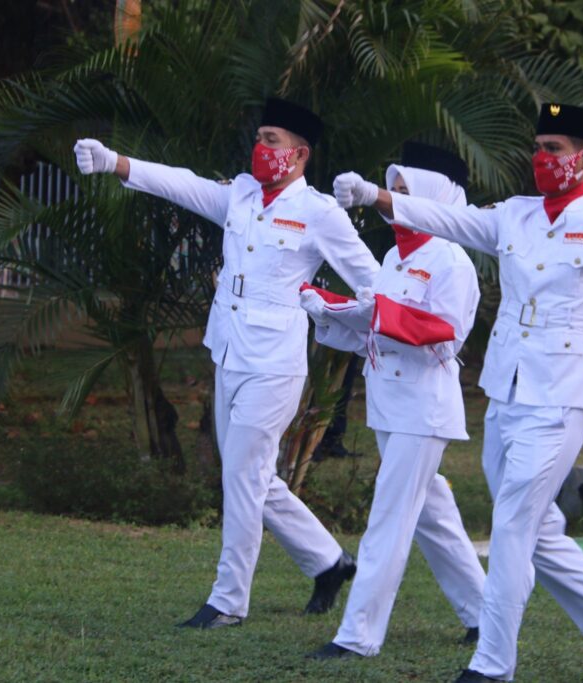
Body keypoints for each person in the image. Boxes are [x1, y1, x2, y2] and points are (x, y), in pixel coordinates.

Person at [333, 103, 583, 683]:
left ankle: (492, 664)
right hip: (507, 389)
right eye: (539, 147)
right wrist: (376, 196)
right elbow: (449, 219)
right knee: (537, 527)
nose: (542, 158)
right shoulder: (515, 215)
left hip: (562, 395)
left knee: (512, 524)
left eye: (554, 149)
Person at [73, 98, 379, 628]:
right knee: (251, 475)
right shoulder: (241, 194)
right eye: (259, 138)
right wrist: (115, 163)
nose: (260, 148)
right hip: (230, 351)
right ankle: (329, 562)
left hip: (275, 364)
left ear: (300, 154)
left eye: (272, 140)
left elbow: (373, 282)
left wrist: (337, 315)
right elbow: (183, 185)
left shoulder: (320, 213)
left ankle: (228, 601)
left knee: (241, 476)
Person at [302, 142, 485, 660]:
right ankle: (485, 612)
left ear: (433, 198)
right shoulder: (393, 257)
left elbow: (446, 335)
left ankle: (357, 635)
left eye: (406, 192)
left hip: (423, 408)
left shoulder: (451, 259)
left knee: (389, 516)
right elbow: (374, 331)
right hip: (390, 403)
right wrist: (329, 308)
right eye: (393, 191)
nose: (393, 202)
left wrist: (375, 313)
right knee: (432, 515)